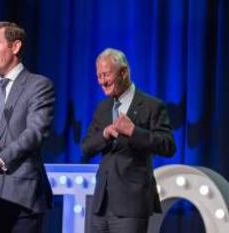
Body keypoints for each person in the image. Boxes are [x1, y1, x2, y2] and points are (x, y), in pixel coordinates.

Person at [81, 48, 176, 233]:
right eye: (99, 76)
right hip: (101, 204)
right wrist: (105, 134)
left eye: (106, 75)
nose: (102, 82)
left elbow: (168, 145)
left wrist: (134, 132)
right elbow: (86, 147)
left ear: (123, 72)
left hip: (131, 204)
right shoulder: (102, 107)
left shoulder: (151, 105)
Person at [0, 21, 55, 233]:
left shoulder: (38, 85)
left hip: (23, 197)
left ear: (15, 46)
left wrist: (0, 159)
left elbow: (35, 132)